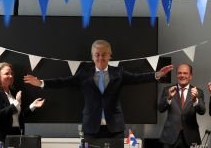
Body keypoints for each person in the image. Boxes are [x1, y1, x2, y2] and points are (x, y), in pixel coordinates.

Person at [24, 39, 173, 139]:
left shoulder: (118, 73)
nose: (100, 58)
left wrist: (157, 75)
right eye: (97, 55)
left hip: (115, 128)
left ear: (110, 55)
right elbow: (63, 82)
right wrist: (42, 83)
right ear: (92, 56)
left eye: (104, 54)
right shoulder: (84, 74)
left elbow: (137, 78)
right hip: (91, 127)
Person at [0, 62, 45, 148]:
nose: (11, 76)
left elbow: (18, 115)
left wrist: (33, 106)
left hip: (15, 135)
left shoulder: (12, 93)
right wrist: (16, 102)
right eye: (7, 73)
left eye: (11, 73)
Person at [158, 63, 206, 148]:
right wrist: (169, 97)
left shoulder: (198, 91)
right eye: (179, 73)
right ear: (176, 75)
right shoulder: (167, 90)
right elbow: (160, 109)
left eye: (185, 73)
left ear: (190, 76)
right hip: (170, 137)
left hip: (191, 137)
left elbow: (202, 111)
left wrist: (195, 100)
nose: (182, 75)